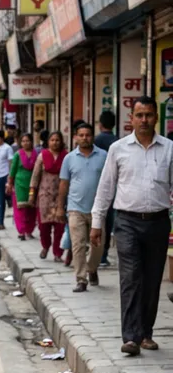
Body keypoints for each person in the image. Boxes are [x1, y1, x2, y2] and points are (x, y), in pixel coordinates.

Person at [91, 96, 173, 356]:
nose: (144, 120)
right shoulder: (118, 148)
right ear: (131, 118)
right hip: (126, 222)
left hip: (159, 222)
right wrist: (96, 222)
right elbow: (106, 187)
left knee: (151, 280)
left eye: (149, 115)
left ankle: (146, 333)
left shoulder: (169, 148)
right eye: (139, 115)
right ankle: (131, 337)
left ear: (156, 118)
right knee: (130, 278)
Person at [56, 123, 107, 292]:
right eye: (81, 135)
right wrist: (59, 207)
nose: (85, 138)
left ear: (93, 136)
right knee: (77, 245)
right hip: (75, 208)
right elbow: (64, 184)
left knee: (98, 246)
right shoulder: (69, 158)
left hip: (98, 209)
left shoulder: (104, 156)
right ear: (75, 137)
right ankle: (81, 279)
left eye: (88, 135)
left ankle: (92, 268)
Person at [29, 130, 67, 261]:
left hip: (61, 197)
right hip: (44, 196)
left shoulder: (66, 157)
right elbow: (35, 176)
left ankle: (57, 253)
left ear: (61, 141)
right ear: (48, 142)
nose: (55, 142)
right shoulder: (42, 156)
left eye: (57, 140)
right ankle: (45, 246)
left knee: (60, 228)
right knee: (43, 226)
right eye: (52, 140)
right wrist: (31, 195)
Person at [94, 110, 119, 265]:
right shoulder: (117, 141)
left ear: (100, 124)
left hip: (98, 185)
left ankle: (96, 254)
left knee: (97, 220)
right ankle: (103, 255)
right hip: (115, 187)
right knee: (108, 220)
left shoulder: (95, 141)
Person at [7, 132, 38, 240]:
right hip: (20, 185)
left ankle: (29, 231)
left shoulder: (36, 154)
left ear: (31, 142)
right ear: (20, 142)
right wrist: (10, 184)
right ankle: (21, 231)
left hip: (32, 185)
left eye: (27, 141)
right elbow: (13, 170)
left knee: (31, 208)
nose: (25, 143)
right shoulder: (18, 154)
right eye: (23, 141)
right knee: (20, 209)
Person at [0, 131, 14, 229]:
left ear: (2, 139)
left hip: (3, 175)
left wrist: (9, 177)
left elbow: (10, 162)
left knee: (1, 200)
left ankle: (0, 222)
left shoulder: (8, 148)